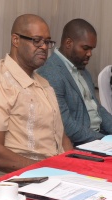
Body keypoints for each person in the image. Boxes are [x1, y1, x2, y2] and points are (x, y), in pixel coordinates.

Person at [0, 14, 73, 175]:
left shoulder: (43, 82)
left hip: (55, 174)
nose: (44, 47)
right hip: (19, 181)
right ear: (16, 40)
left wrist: (72, 167)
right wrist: (46, 171)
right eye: (37, 40)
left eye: (47, 42)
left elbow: (61, 137)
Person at [38, 18, 112, 146]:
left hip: (99, 137)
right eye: (85, 48)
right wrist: (104, 140)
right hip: (80, 144)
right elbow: (66, 125)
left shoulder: (83, 70)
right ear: (68, 43)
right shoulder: (51, 73)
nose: (89, 54)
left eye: (91, 49)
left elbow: (98, 109)